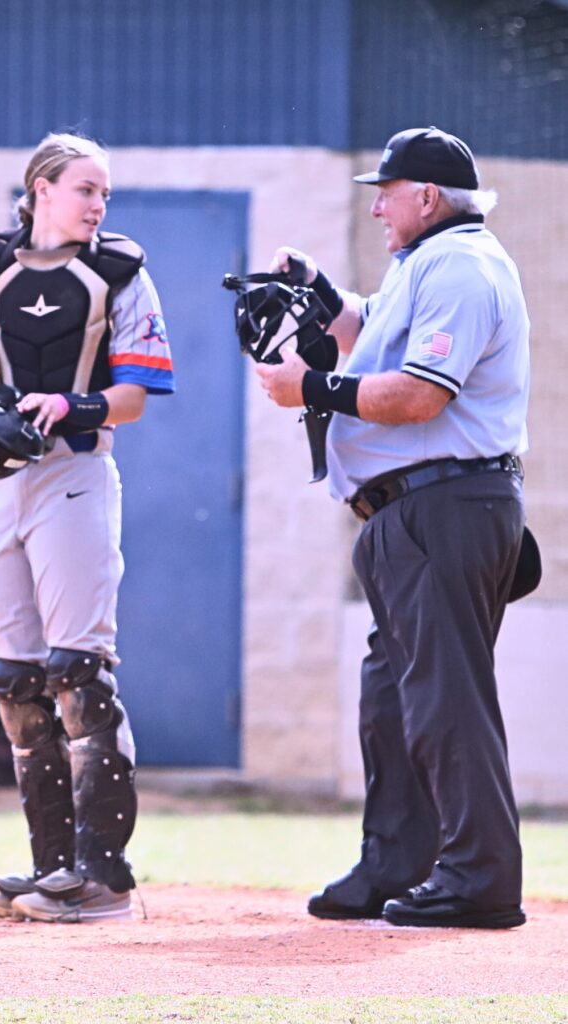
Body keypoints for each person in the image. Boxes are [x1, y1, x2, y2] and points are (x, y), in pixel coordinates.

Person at [258, 126, 530, 929]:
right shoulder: (425, 263)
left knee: (446, 699)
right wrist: (319, 292)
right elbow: (372, 328)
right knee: (393, 702)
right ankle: (396, 865)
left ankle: (479, 879)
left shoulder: (462, 264)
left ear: (426, 195)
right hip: (414, 512)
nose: (376, 205)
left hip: (444, 505)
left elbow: (419, 394)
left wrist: (314, 387)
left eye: (386, 190)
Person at [0, 131, 175, 923]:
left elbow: (136, 395)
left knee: (79, 668)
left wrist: (70, 403)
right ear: (40, 190)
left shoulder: (118, 276)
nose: (98, 204)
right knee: (13, 676)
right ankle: (50, 871)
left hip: (74, 473)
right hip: (0, 487)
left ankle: (104, 880)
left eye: (104, 192)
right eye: (84, 189)